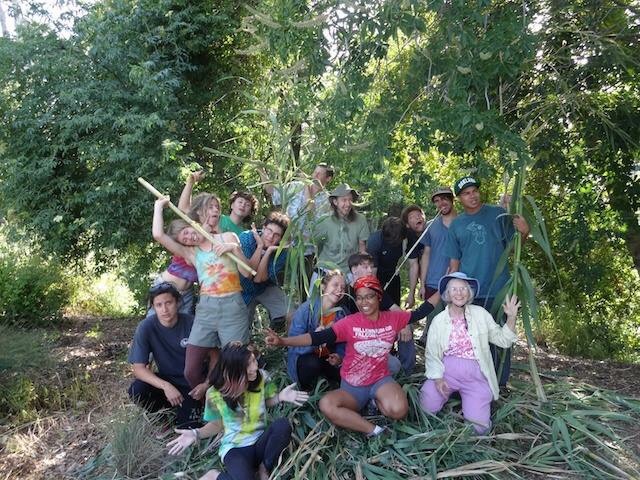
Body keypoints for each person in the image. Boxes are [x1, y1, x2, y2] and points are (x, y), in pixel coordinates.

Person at [265, 276, 434, 436]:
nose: (364, 302)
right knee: (326, 404)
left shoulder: (393, 318)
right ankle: (374, 430)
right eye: (359, 298)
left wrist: (443, 288)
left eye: (369, 297)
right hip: (353, 386)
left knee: (399, 410)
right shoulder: (349, 321)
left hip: (380, 380)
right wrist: (282, 341)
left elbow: (421, 311)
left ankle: (374, 402)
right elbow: (316, 338)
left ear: (379, 298)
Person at [152, 197, 253, 391]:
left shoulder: (230, 237)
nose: (190, 237)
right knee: (191, 370)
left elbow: (248, 273)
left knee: (236, 365)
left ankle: (234, 409)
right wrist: (159, 207)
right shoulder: (191, 252)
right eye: (185, 238)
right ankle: (207, 399)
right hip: (206, 309)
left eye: (188, 232)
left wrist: (235, 249)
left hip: (233, 307)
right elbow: (158, 234)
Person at [167, 343, 309, 480]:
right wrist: (196, 433)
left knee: (282, 425)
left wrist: (280, 397)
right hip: (235, 448)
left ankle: (263, 467)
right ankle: (214, 476)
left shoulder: (262, 378)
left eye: (254, 360)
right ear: (234, 371)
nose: (255, 366)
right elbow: (217, 425)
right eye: (248, 365)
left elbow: (265, 403)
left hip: (260, 440)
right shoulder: (214, 394)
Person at [445, 176, 529, 386]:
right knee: (473, 340)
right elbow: (454, 264)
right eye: (466, 193)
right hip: (470, 292)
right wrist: (452, 295)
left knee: (502, 337)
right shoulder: (456, 225)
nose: (472, 196)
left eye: (474, 191)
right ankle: (477, 384)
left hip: (499, 288)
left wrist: (524, 231)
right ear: (459, 199)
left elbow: (515, 246)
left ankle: (500, 384)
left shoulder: (498, 214)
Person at [420, 272, 520, 433]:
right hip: (447, 371)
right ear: (448, 294)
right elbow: (432, 353)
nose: (459, 293)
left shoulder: (480, 314)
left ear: (469, 293)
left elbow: (503, 340)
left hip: (475, 374)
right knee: (427, 403)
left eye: (463, 289)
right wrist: (438, 379)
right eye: (454, 289)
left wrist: (511, 318)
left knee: (480, 428)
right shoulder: (439, 320)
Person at [128, 282, 202, 428]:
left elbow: (214, 356)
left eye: (168, 303)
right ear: (153, 307)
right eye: (159, 305)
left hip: (193, 386)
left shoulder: (192, 323)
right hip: (168, 381)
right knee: (137, 389)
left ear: (178, 303)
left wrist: (206, 385)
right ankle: (163, 416)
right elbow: (138, 368)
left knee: (187, 429)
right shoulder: (146, 327)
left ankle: (187, 412)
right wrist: (165, 386)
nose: (164, 309)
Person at [286, 270, 347, 391]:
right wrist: (314, 339)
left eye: (343, 287)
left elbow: (344, 343)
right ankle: (304, 390)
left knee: (345, 372)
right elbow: (292, 344)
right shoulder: (306, 310)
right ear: (323, 286)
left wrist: (339, 357)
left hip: (328, 357)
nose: (339, 290)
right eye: (335, 285)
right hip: (306, 357)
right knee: (312, 364)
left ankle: (330, 384)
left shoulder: (342, 313)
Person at [416, 186, 457, 345]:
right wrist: (422, 283)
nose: (441, 203)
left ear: (452, 199)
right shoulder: (431, 225)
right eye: (437, 201)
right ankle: (433, 364)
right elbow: (426, 254)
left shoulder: (463, 222)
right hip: (434, 281)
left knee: (454, 326)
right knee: (434, 325)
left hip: (457, 282)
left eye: (445, 198)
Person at [238, 212, 291, 329]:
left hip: (264, 287)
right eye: (269, 231)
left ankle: (285, 339)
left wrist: (268, 251)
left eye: (277, 235)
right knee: (240, 332)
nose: (271, 237)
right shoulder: (247, 237)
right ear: (264, 227)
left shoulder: (281, 252)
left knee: (292, 313)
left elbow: (258, 279)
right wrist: (260, 246)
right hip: (241, 289)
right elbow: (249, 274)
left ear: (281, 238)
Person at [179, 171, 258, 235]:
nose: (243, 205)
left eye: (247, 205)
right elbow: (183, 209)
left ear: (250, 212)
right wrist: (190, 182)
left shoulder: (244, 234)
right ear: (232, 205)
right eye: (240, 202)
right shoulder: (216, 218)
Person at [314, 183, 370, 274]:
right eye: (344, 200)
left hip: (349, 271)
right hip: (326, 270)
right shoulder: (324, 221)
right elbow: (315, 244)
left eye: (350, 200)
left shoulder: (361, 220)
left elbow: (362, 247)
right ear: (335, 202)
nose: (348, 204)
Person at [366, 216, 405, 306]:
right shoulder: (375, 242)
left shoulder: (404, 235)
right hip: (378, 274)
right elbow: (373, 271)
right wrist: (375, 291)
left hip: (393, 274)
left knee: (394, 304)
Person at [400, 205, 427, 309]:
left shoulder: (434, 229)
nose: (418, 218)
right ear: (407, 224)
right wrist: (411, 293)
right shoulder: (411, 238)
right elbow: (413, 265)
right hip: (427, 279)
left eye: (420, 215)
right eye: (412, 217)